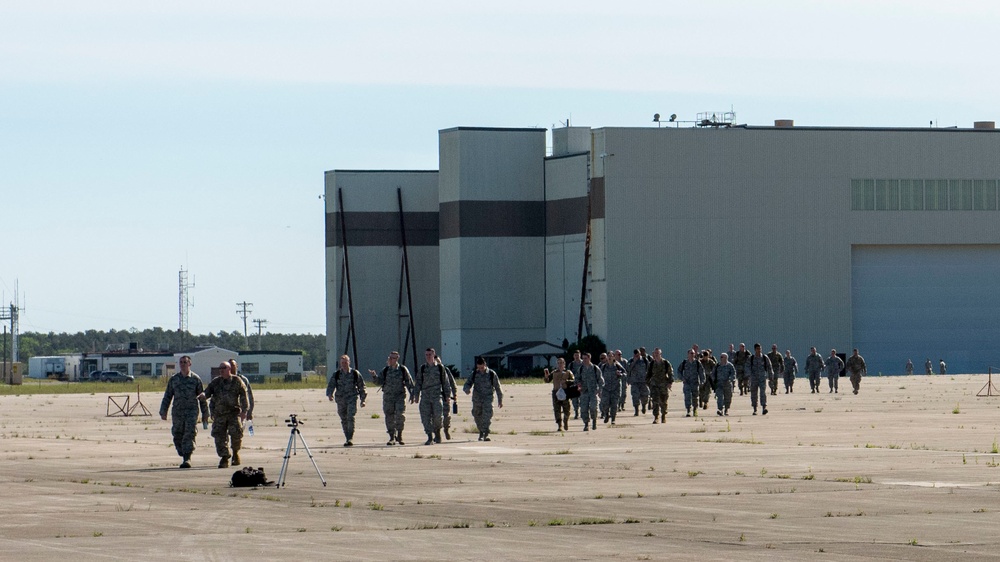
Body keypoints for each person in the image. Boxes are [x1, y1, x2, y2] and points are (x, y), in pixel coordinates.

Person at [159, 355, 209, 469]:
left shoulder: (196, 379)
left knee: (189, 433)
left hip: (191, 411)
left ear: (189, 364)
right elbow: (167, 396)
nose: (182, 364)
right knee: (177, 434)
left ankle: (187, 458)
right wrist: (163, 411)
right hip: (177, 412)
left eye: (185, 362)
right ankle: (182, 451)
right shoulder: (174, 379)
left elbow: (202, 398)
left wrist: (205, 414)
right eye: (181, 362)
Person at [204, 361, 249, 468]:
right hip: (219, 414)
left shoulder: (237, 381)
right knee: (219, 437)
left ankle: (236, 453)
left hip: (233, 414)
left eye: (224, 368)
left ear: (229, 369)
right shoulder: (216, 382)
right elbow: (207, 392)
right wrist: (202, 395)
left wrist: (244, 411)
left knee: (236, 435)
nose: (221, 370)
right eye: (220, 368)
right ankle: (224, 457)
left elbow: (243, 395)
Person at [369, 351, 414, 446]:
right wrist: (374, 376)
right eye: (390, 357)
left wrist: (412, 394)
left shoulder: (402, 369)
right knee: (389, 417)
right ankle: (392, 437)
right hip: (388, 397)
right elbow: (379, 382)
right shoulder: (385, 370)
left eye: (393, 358)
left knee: (400, 416)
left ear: (397, 359)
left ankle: (400, 434)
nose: (390, 359)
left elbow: (408, 382)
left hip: (399, 396)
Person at [326, 354, 367, 447]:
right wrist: (330, 394)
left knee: (350, 417)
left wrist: (363, 399)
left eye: (346, 362)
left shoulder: (355, 374)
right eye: (342, 363)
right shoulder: (336, 374)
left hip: (352, 398)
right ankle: (347, 436)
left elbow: (362, 386)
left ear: (349, 362)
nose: (344, 364)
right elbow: (331, 385)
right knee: (343, 418)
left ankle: (350, 437)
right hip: (340, 400)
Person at [412, 348, 448, 445]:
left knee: (437, 417)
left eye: (430, 355)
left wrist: (447, 396)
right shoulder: (423, 368)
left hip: (437, 396)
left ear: (434, 355)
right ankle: (429, 436)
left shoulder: (440, 368)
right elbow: (418, 382)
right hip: (425, 397)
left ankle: (437, 432)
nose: (428, 356)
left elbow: (445, 382)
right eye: (426, 355)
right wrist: (416, 395)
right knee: (425, 418)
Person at [463, 356, 504, 441]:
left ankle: (485, 433)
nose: (480, 369)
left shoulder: (492, 374)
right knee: (476, 415)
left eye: (482, 367)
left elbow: (498, 387)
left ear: (485, 365)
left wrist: (500, 400)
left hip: (488, 398)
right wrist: (467, 389)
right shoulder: (474, 374)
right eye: (479, 368)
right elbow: (467, 384)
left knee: (487, 415)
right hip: (477, 398)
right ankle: (481, 431)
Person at [543, 357, 574, 431]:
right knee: (557, 410)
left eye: (562, 363)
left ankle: (565, 420)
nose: (560, 364)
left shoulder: (568, 372)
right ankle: (559, 425)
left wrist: (566, 381)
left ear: (564, 364)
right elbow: (547, 380)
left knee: (567, 409)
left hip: (565, 393)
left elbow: (573, 381)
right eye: (559, 363)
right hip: (556, 392)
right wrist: (546, 376)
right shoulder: (554, 372)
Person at [645, 348, 673, 424]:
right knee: (655, 401)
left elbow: (670, 373)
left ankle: (663, 415)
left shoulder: (666, 363)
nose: (656, 355)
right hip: (654, 385)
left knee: (663, 401)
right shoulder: (651, 364)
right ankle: (656, 417)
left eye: (658, 353)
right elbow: (648, 375)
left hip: (663, 385)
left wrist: (670, 383)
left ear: (660, 354)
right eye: (655, 353)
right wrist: (648, 383)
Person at [577, 352, 604, 431]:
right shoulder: (581, 369)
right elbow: (577, 379)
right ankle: (586, 424)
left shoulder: (595, 368)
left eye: (585, 358)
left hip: (593, 392)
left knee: (593, 407)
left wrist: (599, 390)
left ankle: (594, 421)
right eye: (583, 358)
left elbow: (601, 380)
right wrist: (579, 386)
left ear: (589, 358)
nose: (584, 360)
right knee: (583, 409)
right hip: (584, 392)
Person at [678, 349, 706, 417]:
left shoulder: (697, 363)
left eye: (693, 353)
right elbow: (679, 371)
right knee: (687, 396)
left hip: (695, 382)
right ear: (688, 354)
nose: (692, 354)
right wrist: (682, 378)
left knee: (695, 397)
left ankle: (695, 409)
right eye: (691, 353)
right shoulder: (684, 362)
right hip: (687, 382)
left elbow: (701, 372)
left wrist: (702, 380)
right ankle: (688, 410)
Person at [437, 354, 458, 440]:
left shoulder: (445, 370)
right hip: (435, 396)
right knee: (435, 416)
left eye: (439, 361)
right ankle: (436, 433)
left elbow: (452, 383)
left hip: (445, 396)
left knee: (446, 415)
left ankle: (446, 429)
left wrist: (455, 394)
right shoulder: (428, 370)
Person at [747, 343, 772, 415]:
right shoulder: (751, 358)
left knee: (762, 393)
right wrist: (748, 375)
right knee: (754, 393)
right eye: (758, 349)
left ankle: (764, 407)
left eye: (760, 348)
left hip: (762, 378)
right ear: (755, 349)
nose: (759, 350)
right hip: (754, 378)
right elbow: (747, 366)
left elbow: (769, 366)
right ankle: (755, 408)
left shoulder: (764, 357)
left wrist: (771, 376)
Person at [598, 353, 623, 426]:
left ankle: (613, 419)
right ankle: (606, 414)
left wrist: (620, 374)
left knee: (614, 404)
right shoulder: (603, 367)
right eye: (608, 356)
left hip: (615, 388)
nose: (609, 358)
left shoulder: (617, 366)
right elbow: (599, 376)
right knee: (605, 403)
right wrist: (599, 388)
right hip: (606, 388)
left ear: (613, 357)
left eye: (611, 356)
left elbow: (624, 373)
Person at [627, 348, 650, 416]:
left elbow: (649, 369)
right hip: (634, 382)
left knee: (645, 395)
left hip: (643, 381)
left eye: (637, 354)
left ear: (640, 353)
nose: (636, 355)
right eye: (635, 354)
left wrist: (649, 379)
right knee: (635, 396)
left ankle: (643, 406)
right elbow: (628, 369)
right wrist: (634, 361)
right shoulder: (631, 360)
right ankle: (636, 410)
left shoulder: (645, 360)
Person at [568, 350, 584, 419]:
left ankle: (583, 412)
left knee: (583, 399)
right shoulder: (571, 364)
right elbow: (568, 373)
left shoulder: (583, 363)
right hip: (574, 385)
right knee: (574, 400)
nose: (577, 356)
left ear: (580, 355)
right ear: (573, 356)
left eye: (578, 355)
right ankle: (576, 413)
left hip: (582, 384)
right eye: (575, 355)